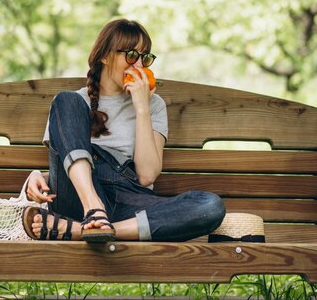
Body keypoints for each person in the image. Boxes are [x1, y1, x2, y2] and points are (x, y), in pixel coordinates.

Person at [22, 18, 225, 242]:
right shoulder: (73, 104)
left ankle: (85, 229)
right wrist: (38, 177)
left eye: (144, 58)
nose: (138, 65)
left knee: (209, 206)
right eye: (130, 55)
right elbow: (65, 163)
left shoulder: (153, 105)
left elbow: (147, 175)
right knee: (64, 99)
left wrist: (142, 108)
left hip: (129, 201)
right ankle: (94, 210)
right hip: (81, 199)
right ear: (105, 56)